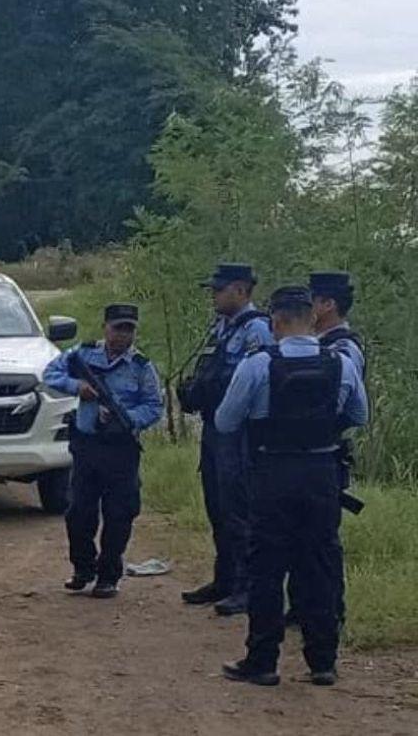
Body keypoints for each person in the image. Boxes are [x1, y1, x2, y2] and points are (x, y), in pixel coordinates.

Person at [215, 286, 368, 687]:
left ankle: (263, 661)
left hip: (272, 473)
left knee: (266, 567)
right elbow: (360, 415)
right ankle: (323, 662)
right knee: (318, 564)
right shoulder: (341, 362)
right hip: (322, 473)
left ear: (276, 320)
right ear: (310, 318)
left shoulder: (257, 364)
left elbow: (226, 422)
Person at [44, 304, 164, 599]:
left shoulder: (141, 367)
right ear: (105, 328)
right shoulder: (82, 355)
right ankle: (83, 568)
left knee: (119, 513)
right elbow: (50, 373)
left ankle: (109, 575)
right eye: (118, 328)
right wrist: (77, 387)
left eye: (129, 329)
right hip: (87, 445)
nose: (123, 335)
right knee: (79, 511)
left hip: (121, 448)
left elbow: (154, 406)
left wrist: (127, 418)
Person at [178, 263, 274, 616]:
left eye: (218, 290)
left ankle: (246, 586)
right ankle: (225, 579)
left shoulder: (258, 330)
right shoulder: (222, 326)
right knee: (217, 506)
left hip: (241, 432)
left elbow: (253, 383)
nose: (214, 296)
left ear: (240, 290)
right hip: (216, 427)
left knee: (239, 510)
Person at [284, 271, 369, 626]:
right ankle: (303, 606)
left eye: (313, 301)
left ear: (328, 304)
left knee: (322, 543)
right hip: (303, 455)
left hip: (325, 453)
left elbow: (352, 411)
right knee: (298, 538)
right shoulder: (320, 346)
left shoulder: (343, 349)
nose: (308, 308)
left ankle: (331, 610)